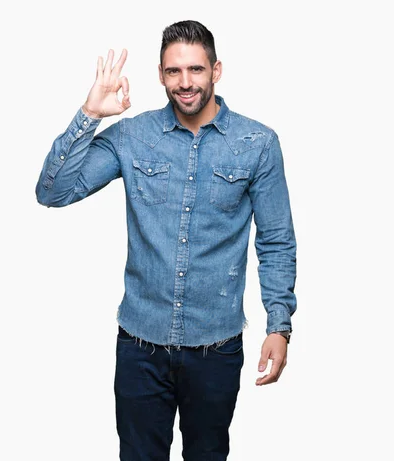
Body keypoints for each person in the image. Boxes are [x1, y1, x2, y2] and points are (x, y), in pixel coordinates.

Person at [35, 19, 297, 461]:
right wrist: (90, 115)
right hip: (140, 347)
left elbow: (275, 240)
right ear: (160, 75)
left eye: (196, 70)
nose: (185, 83)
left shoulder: (258, 143)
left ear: (216, 71)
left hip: (216, 348)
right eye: (174, 72)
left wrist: (279, 324)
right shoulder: (132, 137)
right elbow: (53, 192)